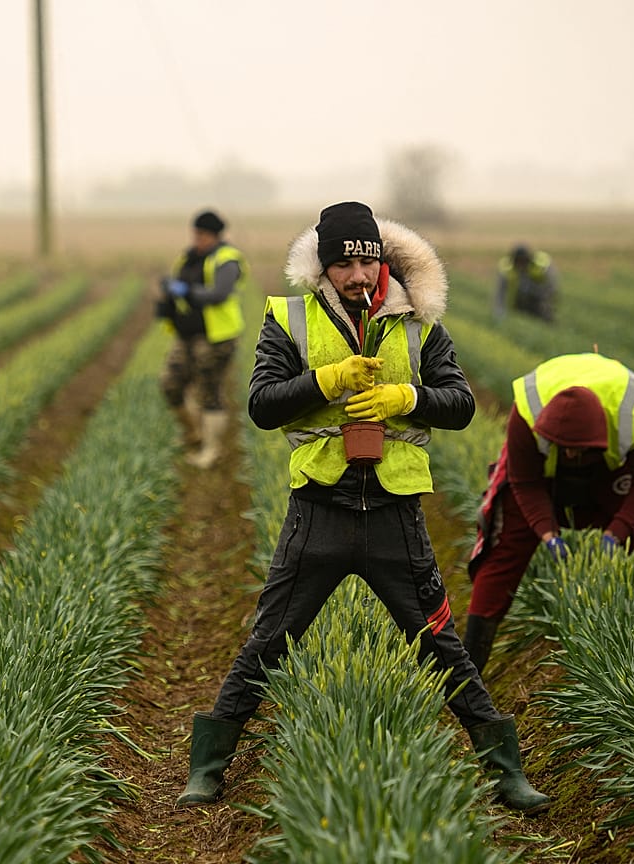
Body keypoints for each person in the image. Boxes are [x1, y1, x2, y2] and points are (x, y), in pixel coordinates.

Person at [176, 201, 550, 814]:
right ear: (324, 267)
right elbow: (263, 405)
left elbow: (458, 404)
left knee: (440, 645)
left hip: (395, 518)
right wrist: (329, 381)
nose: (358, 276)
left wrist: (405, 396)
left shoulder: (420, 321)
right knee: (269, 640)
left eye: (367, 262)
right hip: (317, 511)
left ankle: (506, 770)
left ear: (382, 260)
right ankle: (208, 768)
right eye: (344, 264)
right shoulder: (289, 320)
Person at [463, 352, 634, 675]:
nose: (571, 454)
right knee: (504, 548)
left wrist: (617, 531)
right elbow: (525, 483)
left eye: (577, 449)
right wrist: (547, 533)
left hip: (611, 469)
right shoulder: (527, 415)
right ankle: (468, 669)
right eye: (564, 447)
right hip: (542, 472)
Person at [155, 209, 248, 470]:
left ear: (215, 235)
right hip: (186, 336)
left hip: (217, 338)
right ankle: (194, 432)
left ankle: (212, 449)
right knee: (170, 384)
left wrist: (186, 291)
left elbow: (218, 294)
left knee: (210, 390)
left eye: (202, 234)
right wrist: (167, 300)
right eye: (195, 233)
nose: (197, 238)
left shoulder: (227, 259)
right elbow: (177, 289)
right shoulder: (188, 257)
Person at [493, 244, 558, 323]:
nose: (521, 265)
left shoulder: (541, 265)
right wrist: (499, 312)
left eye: (523, 262)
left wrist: (547, 304)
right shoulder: (506, 268)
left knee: (545, 315)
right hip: (517, 297)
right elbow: (500, 292)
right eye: (518, 262)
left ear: (529, 260)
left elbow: (552, 286)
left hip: (539, 294)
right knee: (519, 315)